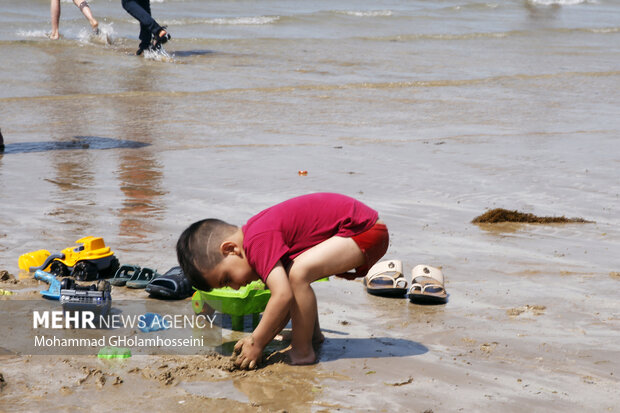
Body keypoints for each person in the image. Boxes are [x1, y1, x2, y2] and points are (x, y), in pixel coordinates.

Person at [176, 193, 389, 368]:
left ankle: (303, 351)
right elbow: (286, 296)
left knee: (298, 274)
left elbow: (282, 296)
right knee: (293, 275)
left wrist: (256, 341)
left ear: (231, 249)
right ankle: (311, 337)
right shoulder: (255, 234)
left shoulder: (257, 242)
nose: (234, 286)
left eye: (227, 279)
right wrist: (267, 335)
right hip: (361, 228)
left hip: (364, 230)